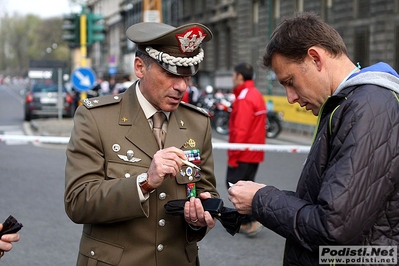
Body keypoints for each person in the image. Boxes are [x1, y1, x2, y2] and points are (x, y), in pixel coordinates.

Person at [228, 12, 399, 265]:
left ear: (315, 58)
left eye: (290, 82)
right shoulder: (351, 104)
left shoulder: (368, 108)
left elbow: (333, 227)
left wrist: (260, 200)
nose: (290, 98)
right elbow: (328, 201)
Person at [64, 21, 219, 266]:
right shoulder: (96, 117)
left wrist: (200, 218)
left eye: (187, 75)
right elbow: (78, 202)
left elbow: (205, 190)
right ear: (140, 67)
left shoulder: (197, 122)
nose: (181, 86)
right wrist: (145, 182)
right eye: (170, 73)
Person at [226, 62, 266, 237]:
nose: (232, 79)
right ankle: (249, 221)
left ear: (240, 76)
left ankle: (250, 221)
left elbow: (239, 131)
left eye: (233, 75)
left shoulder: (244, 98)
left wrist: (233, 155)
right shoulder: (256, 94)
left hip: (243, 152)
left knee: (235, 186)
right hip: (254, 152)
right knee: (248, 185)